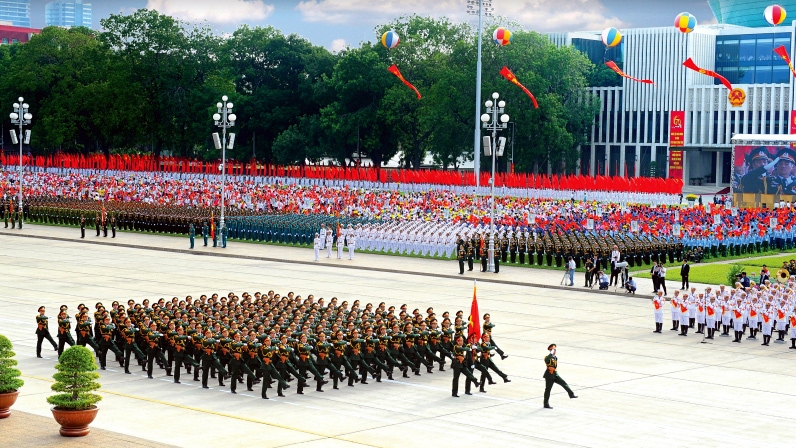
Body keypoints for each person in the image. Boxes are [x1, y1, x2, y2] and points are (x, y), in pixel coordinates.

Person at [542, 344, 577, 409]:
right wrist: (551, 353)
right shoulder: (547, 357)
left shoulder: (555, 357)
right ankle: (546, 404)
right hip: (549, 376)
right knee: (548, 390)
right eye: (553, 350)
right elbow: (546, 360)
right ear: (550, 350)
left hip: (555, 374)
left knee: (563, 383)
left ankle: (571, 394)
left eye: (555, 350)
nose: (554, 351)